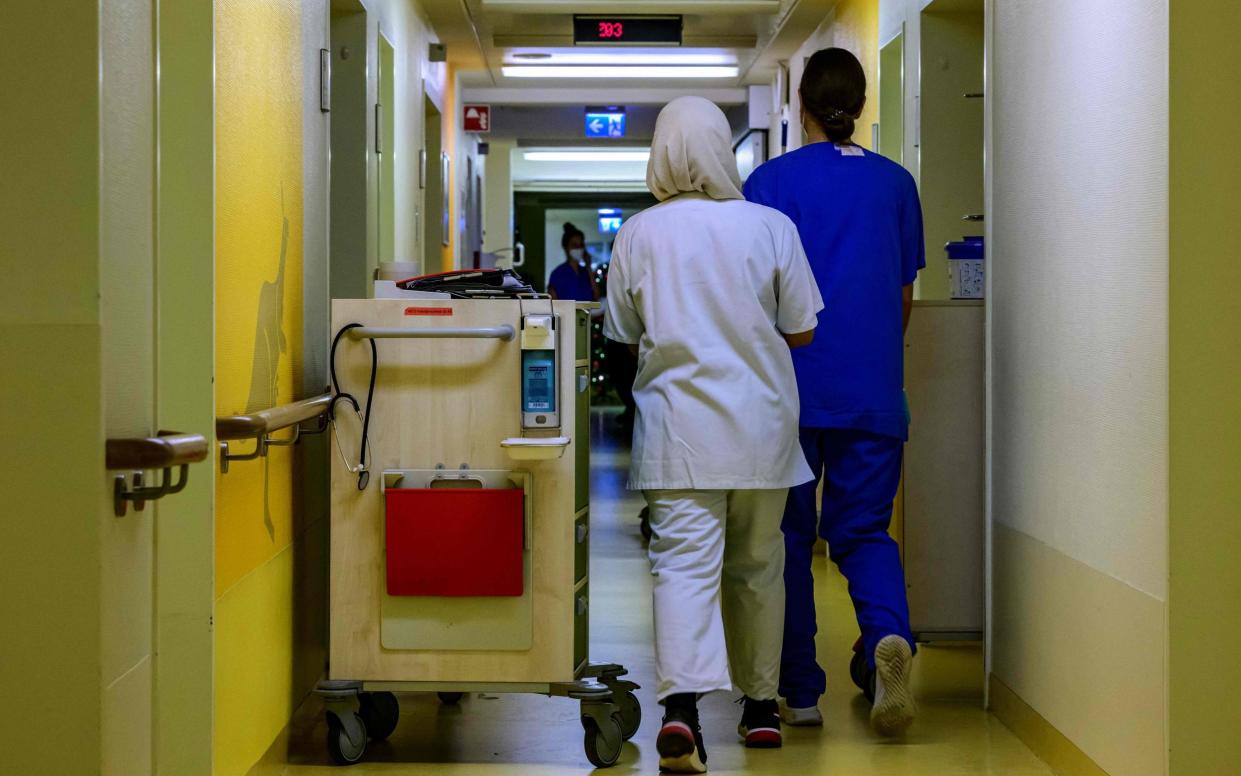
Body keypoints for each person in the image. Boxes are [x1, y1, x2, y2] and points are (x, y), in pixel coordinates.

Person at [604, 96, 822, 774]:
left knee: (682, 572)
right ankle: (759, 712)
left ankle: (681, 711)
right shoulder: (771, 226)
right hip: (761, 430)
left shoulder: (638, 234)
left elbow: (619, 334)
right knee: (760, 569)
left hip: (679, 433)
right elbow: (803, 328)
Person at [743, 47, 926, 737]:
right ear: (862, 101)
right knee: (863, 532)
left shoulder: (768, 182)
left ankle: (800, 692)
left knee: (788, 539)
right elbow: (901, 295)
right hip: (874, 389)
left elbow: (756, 299)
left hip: (788, 391)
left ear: (799, 107)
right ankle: (887, 640)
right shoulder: (894, 184)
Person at [547, 222, 599, 301]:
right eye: (574, 245)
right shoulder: (557, 274)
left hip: (586, 313)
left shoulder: (586, 272)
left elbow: (596, 297)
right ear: (566, 247)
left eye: (581, 245)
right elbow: (552, 303)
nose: (578, 248)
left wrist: (589, 267)